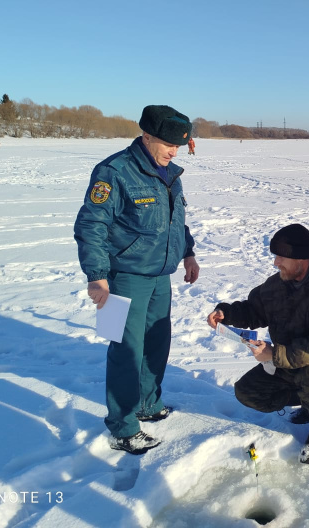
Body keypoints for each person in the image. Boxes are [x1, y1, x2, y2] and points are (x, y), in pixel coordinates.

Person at [74, 105, 200, 454]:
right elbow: (91, 225)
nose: (173, 152)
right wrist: (97, 276)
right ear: (146, 136)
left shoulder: (170, 173)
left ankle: (147, 403)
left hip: (161, 275)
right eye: (167, 144)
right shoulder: (114, 171)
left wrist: (187, 252)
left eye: (178, 146)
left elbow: (177, 220)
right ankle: (122, 426)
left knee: (157, 342)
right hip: (122, 276)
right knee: (124, 350)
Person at [207, 224, 309, 466]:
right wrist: (225, 314)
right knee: (248, 392)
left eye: (281, 257)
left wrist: (274, 354)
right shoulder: (279, 283)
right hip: (290, 361)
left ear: (301, 259)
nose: (275, 263)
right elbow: (254, 309)